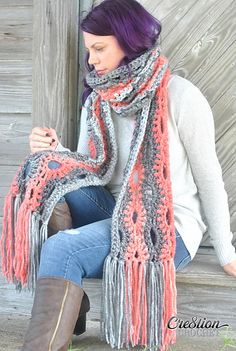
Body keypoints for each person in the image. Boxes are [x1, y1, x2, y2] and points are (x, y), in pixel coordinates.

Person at [22, 0, 236, 349]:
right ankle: (69, 296)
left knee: (62, 248)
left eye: (99, 47)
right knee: (47, 171)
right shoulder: (98, 100)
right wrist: (54, 151)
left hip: (166, 226)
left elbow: (209, 177)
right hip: (112, 209)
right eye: (88, 49)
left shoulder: (179, 96)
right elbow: (86, 169)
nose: (91, 59)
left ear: (127, 39)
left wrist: (226, 253)